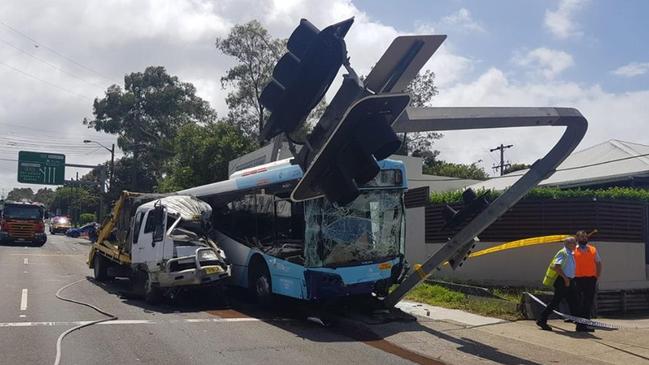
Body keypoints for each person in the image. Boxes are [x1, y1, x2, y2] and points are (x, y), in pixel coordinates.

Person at [537, 237, 577, 331]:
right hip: (562, 280)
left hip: (569, 280)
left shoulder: (570, 253)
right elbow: (556, 266)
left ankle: (579, 323)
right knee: (556, 301)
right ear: (568, 244)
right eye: (574, 243)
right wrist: (566, 279)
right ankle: (542, 320)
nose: (576, 245)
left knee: (574, 301)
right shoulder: (563, 252)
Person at [573, 230, 602, 332]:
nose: (584, 238)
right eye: (582, 237)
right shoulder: (572, 250)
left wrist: (596, 277)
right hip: (577, 279)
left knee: (588, 302)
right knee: (579, 302)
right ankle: (580, 324)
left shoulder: (593, 249)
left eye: (585, 237)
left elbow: (598, 263)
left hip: (590, 279)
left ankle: (584, 325)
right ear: (577, 238)